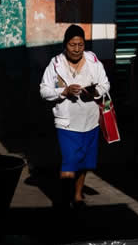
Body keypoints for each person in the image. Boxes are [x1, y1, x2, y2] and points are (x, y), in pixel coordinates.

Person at [39, 25, 110, 210]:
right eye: (72, 45)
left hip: (90, 121)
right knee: (69, 161)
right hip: (67, 124)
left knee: (84, 162)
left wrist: (94, 92)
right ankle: (64, 199)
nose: (77, 49)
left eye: (80, 44)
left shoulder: (93, 60)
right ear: (65, 45)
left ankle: (77, 196)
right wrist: (64, 91)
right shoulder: (55, 64)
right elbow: (44, 91)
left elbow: (105, 85)